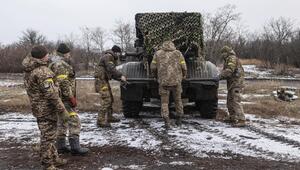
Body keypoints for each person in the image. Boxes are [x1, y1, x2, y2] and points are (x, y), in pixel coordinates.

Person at [23, 45, 68, 170]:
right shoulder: (42, 71)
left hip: (38, 108)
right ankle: (47, 164)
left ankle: (54, 158)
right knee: (47, 138)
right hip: (46, 109)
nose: (49, 56)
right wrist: (62, 110)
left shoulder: (30, 69)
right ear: (42, 56)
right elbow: (51, 94)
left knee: (48, 135)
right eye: (47, 54)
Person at [49, 43, 89, 155]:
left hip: (58, 97)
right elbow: (63, 82)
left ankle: (61, 146)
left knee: (62, 120)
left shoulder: (53, 62)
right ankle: (75, 147)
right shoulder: (60, 65)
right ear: (65, 53)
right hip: (64, 98)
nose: (69, 55)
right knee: (74, 120)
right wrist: (70, 97)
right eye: (68, 53)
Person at [150, 41, 187, 129]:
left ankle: (166, 121)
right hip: (177, 82)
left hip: (164, 82)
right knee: (178, 101)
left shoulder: (157, 54)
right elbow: (184, 66)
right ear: (173, 46)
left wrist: (155, 76)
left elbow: (153, 67)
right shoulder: (178, 53)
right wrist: (184, 75)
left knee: (164, 102)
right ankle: (179, 120)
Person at [94, 45, 126, 127]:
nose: (119, 55)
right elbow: (111, 68)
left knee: (110, 98)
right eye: (119, 53)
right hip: (101, 81)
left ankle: (109, 116)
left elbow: (111, 74)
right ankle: (100, 121)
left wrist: (120, 78)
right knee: (106, 100)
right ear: (116, 52)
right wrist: (120, 75)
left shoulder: (110, 57)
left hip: (104, 80)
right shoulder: (108, 56)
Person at [219, 46, 246, 127]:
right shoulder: (228, 59)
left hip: (236, 83)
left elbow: (229, 70)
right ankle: (232, 117)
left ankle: (241, 119)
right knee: (230, 100)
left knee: (235, 100)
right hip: (232, 83)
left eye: (223, 53)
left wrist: (219, 76)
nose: (222, 55)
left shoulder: (232, 58)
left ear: (226, 52)